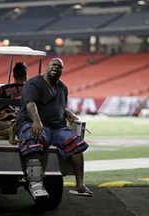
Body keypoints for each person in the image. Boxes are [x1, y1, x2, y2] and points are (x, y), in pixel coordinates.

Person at [16, 58, 93, 200]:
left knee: (77, 144)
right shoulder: (33, 83)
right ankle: (35, 184)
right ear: (47, 66)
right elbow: (30, 104)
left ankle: (80, 185)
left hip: (57, 127)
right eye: (54, 65)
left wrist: (67, 112)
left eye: (60, 66)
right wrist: (36, 120)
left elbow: (59, 106)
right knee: (34, 138)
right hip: (33, 122)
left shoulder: (63, 87)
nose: (57, 68)